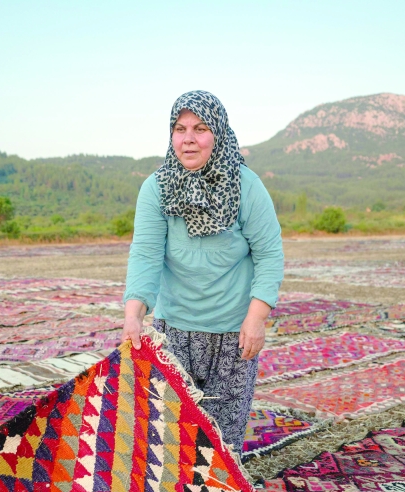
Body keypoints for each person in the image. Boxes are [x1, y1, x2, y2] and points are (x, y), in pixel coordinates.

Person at [122, 90, 284, 454]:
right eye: (180, 129)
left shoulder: (247, 187)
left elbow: (270, 255)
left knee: (222, 443)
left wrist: (256, 319)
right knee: (170, 436)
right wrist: (134, 315)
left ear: (219, 134)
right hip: (173, 331)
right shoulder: (156, 189)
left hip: (233, 334)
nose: (188, 138)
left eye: (200, 128)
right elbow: (145, 254)